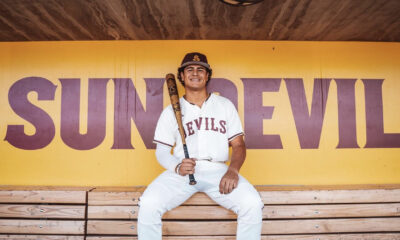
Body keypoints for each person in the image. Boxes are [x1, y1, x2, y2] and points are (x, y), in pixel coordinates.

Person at [137, 52, 263, 240]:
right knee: (148, 203)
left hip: (218, 170)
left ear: (207, 76)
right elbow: (162, 151)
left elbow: (238, 145)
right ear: (181, 76)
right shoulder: (170, 111)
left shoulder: (224, 105)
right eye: (189, 69)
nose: (195, 73)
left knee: (252, 203)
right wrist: (177, 166)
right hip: (182, 171)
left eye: (200, 69)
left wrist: (233, 171)